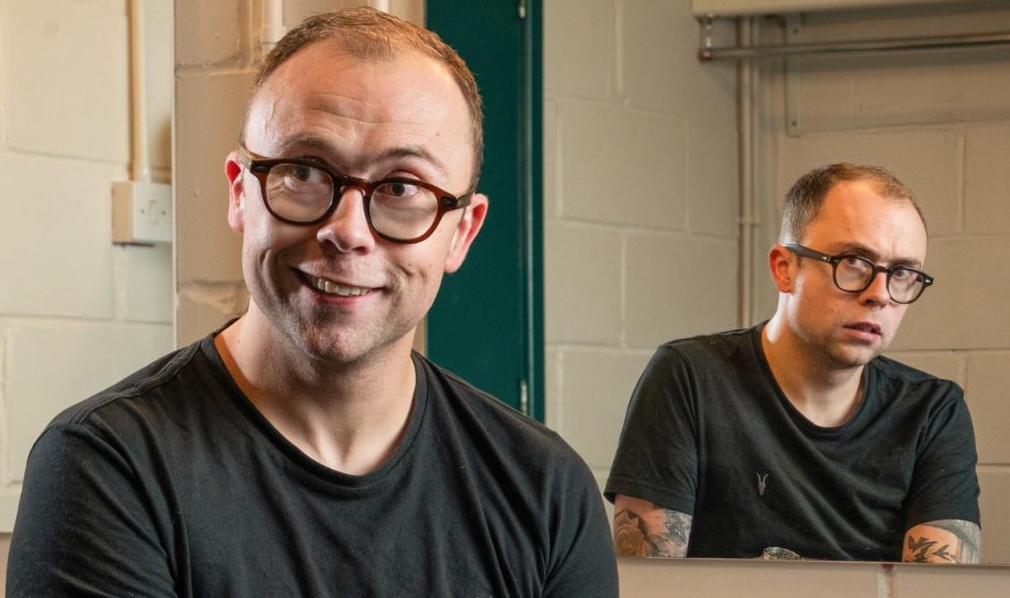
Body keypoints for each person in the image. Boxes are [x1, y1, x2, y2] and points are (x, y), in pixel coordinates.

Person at [7, 8, 618, 596]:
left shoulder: (545, 491)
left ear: (462, 233)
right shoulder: (106, 464)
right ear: (240, 194)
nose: (347, 231)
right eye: (304, 172)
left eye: (401, 186)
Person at [605, 163, 981, 563]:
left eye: (902, 272)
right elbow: (651, 581)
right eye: (854, 262)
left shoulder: (932, 411)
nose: (880, 294)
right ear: (784, 268)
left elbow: (938, 586)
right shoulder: (691, 378)